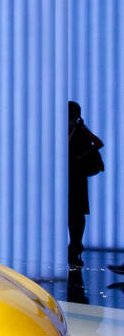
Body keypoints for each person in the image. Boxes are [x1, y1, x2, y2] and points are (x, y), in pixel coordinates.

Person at [68, 101, 103, 267]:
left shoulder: (80, 130)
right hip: (72, 176)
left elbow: (98, 143)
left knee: (76, 214)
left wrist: (81, 157)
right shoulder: (69, 129)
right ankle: (74, 246)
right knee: (74, 214)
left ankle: (75, 246)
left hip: (75, 176)